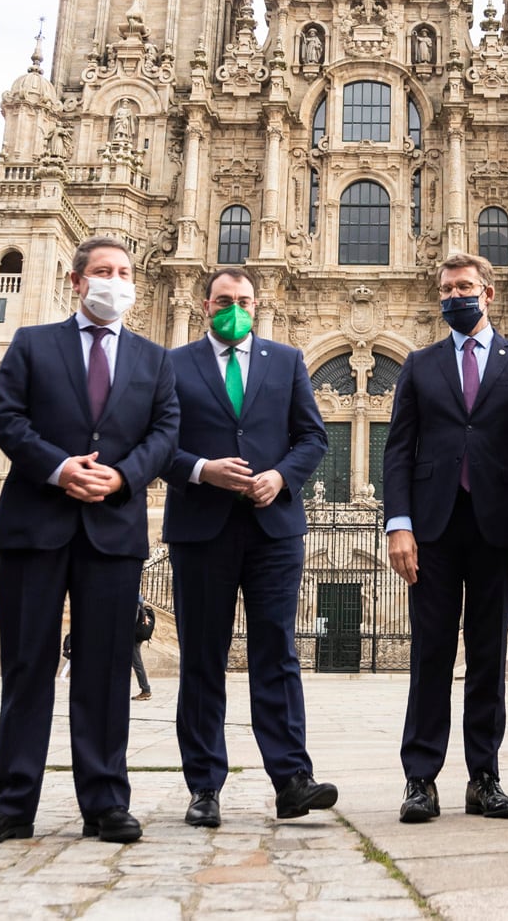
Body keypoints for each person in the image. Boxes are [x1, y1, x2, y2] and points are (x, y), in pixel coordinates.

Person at [0, 236, 182, 847]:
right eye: (103, 271)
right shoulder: (32, 343)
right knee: (26, 665)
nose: (116, 280)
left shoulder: (155, 359)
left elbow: (166, 433)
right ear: (78, 281)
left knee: (106, 670)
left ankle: (106, 801)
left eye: (125, 272)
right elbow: (5, 418)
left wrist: (123, 476)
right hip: (36, 522)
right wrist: (60, 469)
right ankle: (12, 803)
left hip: (113, 528)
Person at [383, 252, 508, 824]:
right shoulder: (419, 363)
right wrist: (398, 523)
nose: (455, 296)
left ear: (488, 293)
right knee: (429, 653)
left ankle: (485, 776)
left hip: (499, 526)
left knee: (489, 655)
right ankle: (420, 779)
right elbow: (399, 450)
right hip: (432, 526)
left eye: (464, 287)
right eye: (447, 288)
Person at [162, 267, 335, 831]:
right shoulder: (174, 363)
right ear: (205, 305)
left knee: (277, 653)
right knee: (202, 658)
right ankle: (204, 786)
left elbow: (313, 437)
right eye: (223, 301)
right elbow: (156, 443)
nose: (234, 309)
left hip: (272, 528)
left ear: (256, 305)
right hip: (201, 527)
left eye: (243, 300)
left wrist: (281, 477)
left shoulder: (286, 360)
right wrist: (201, 469)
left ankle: (292, 780)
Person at [132, 592, 156, 701]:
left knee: (137, 664)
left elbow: (133, 621)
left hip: (133, 638)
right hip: (136, 637)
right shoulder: (139, 601)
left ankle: (146, 690)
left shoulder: (135, 603)